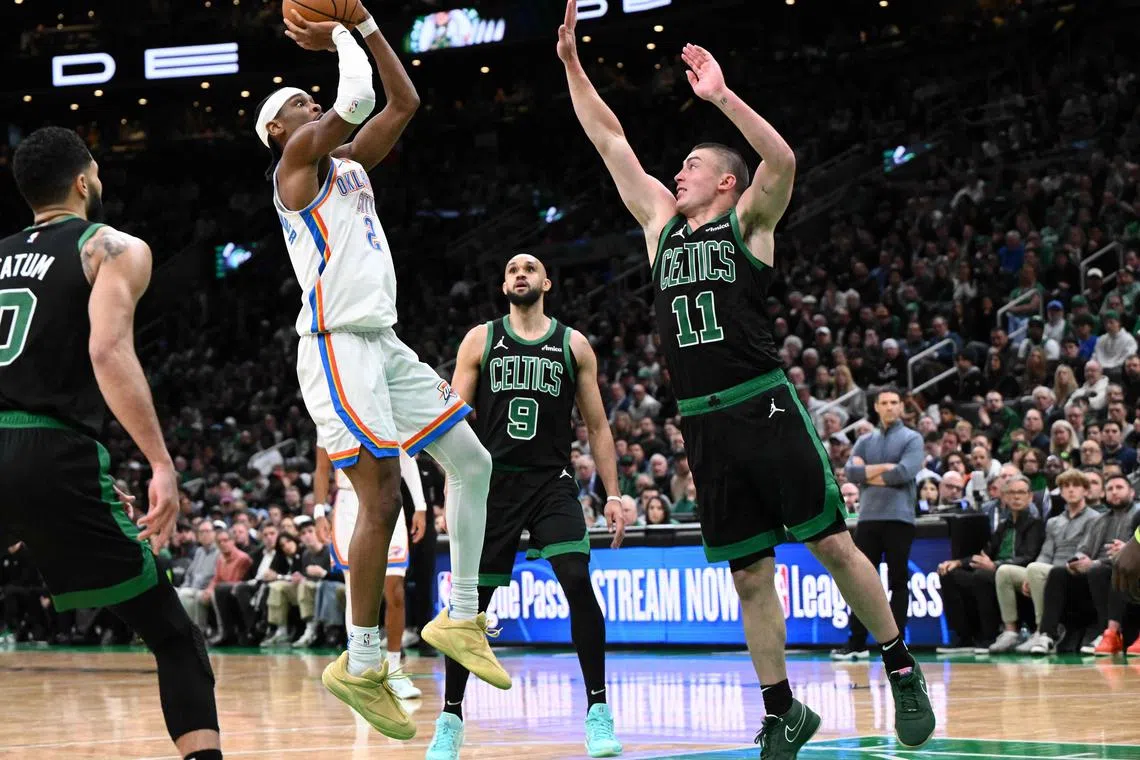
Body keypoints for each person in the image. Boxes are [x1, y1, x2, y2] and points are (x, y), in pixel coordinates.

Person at [558, 3, 934, 753]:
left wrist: (723, 97)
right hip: (701, 419)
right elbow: (609, 138)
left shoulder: (749, 224)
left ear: (727, 182)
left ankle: (898, 665)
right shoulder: (660, 227)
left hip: (762, 402)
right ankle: (781, 709)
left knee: (831, 545)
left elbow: (785, 162)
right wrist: (571, 62)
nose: (677, 173)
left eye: (691, 166)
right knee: (750, 576)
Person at [261, 7, 507, 737]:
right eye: (298, 106)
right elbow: (358, 100)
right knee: (380, 500)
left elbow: (404, 102)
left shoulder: (351, 169)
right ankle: (361, 661)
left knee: (472, 459)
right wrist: (343, 26)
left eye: (312, 100)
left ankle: (462, 617)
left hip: (382, 341)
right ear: (279, 131)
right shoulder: (295, 167)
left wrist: (366, 25)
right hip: (334, 344)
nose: (312, 105)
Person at [0, 127, 222, 758]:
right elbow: (107, 348)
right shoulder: (111, 245)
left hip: (26, 449)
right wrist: (159, 463)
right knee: (174, 636)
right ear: (83, 180)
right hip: (52, 458)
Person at [429, 253, 627, 759]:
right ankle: (449, 718)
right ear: (503, 285)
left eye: (530, 268)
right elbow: (450, 417)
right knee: (468, 609)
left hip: (550, 483)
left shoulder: (572, 344)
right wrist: (450, 489)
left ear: (546, 282)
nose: (521, 273)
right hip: (490, 487)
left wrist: (615, 493)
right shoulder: (481, 338)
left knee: (578, 582)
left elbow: (598, 426)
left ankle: (598, 711)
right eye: (513, 269)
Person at [313, 447, 426, 700]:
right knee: (355, 590)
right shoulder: (328, 411)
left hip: (386, 499)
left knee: (395, 590)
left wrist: (420, 504)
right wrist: (318, 511)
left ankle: (395, 669)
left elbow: (405, 456)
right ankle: (360, 669)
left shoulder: (388, 408)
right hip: (348, 504)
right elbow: (321, 468)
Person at [836, 389, 923, 659]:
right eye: (884, 403)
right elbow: (850, 473)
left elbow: (903, 473)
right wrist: (885, 468)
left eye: (894, 402)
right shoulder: (864, 440)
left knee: (898, 581)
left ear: (901, 407)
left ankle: (896, 646)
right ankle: (857, 642)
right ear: (876, 407)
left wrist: (868, 472)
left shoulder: (913, 438)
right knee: (860, 582)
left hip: (899, 518)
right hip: (869, 518)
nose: (889, 407)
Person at [939, 475, 1044, 652]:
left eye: (1021, 492)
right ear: (1004, 497)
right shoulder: (1004, 525)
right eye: (1011, 492)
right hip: (993, 569)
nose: (1016, 497)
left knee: (982, 575)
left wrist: (995, 566)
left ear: (1030, 497)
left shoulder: (1035, 524)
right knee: (950, 574)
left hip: (1016, 574)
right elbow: (985, 553)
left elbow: (1029, 557)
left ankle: (988, 637)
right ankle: (964, 637)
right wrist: (957, 562)